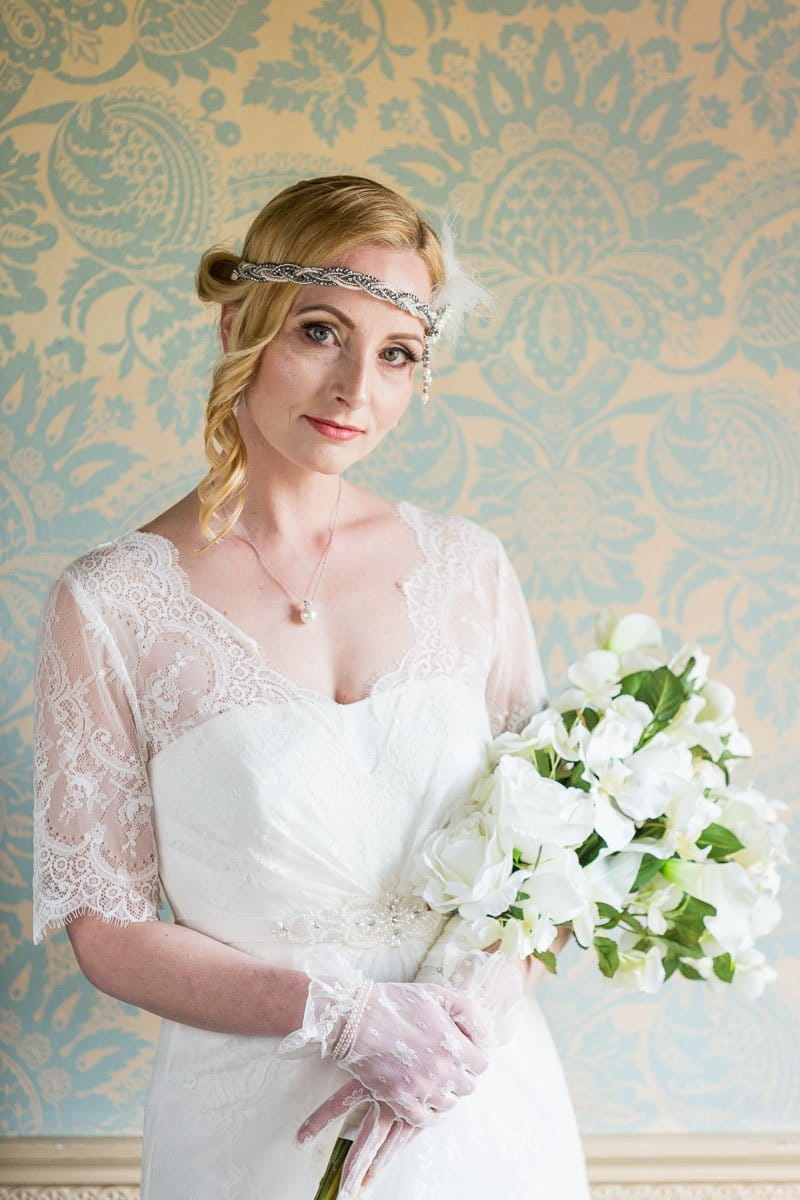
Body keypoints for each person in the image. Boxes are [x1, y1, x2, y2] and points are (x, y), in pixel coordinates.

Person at [32, 175, 591, 1198]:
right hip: (253, 1127)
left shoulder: (469, 568)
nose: (354, 393)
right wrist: (342, 1015)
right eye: (322, 333)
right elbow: (105, 933)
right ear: (241, 322)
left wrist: (464, 1018)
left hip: (480, 1102)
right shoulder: (109, 603)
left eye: (396, 356)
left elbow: (551, 857)